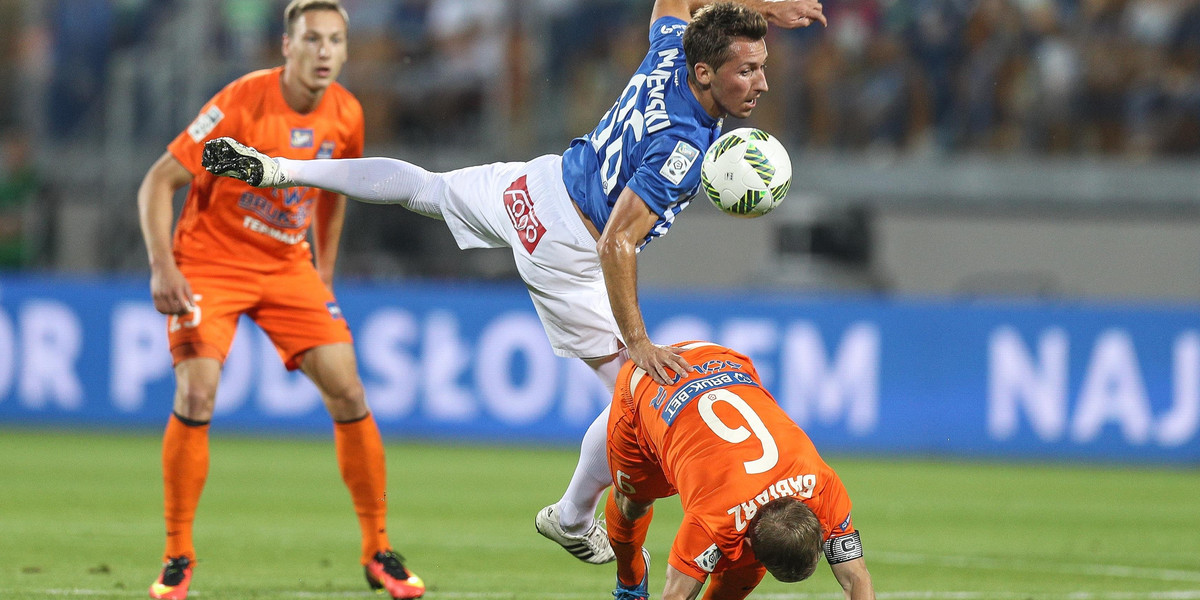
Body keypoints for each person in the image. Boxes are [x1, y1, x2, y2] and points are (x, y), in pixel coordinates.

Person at [201, 0, 827, 566]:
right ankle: (572, 517)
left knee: (426, 187)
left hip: (542, 185)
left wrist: (759, 8)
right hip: (571, 249)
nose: (762, 82)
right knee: (634, 403)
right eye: (746, 70)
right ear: (704, 75)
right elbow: (617, 242)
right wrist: (636, 340)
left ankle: (278, 168)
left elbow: (674, 2)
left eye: (762, 66)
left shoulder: (673, 49)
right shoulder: (683, 147)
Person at [135, 2, 424, 599]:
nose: (324, 52)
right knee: (196, 389)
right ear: (285, 46)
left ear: (346, 50)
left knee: (348, 388)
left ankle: (378, 550)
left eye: (336, 41)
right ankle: (176, 554)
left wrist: (325, 270)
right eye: (312, 39)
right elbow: (159, 180)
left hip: (288, 266)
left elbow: (338, 189)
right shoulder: (241, 101)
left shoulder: (346, 112)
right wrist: (163, 266)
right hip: (211, 261)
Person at [605, 341, 874, 600]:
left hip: (725, 363)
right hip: (648, 387)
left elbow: (856, 578)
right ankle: (631, 583)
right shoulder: (710, 521)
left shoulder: (824, 488)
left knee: (751, 558)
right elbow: (675, 594)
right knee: (633, 503)